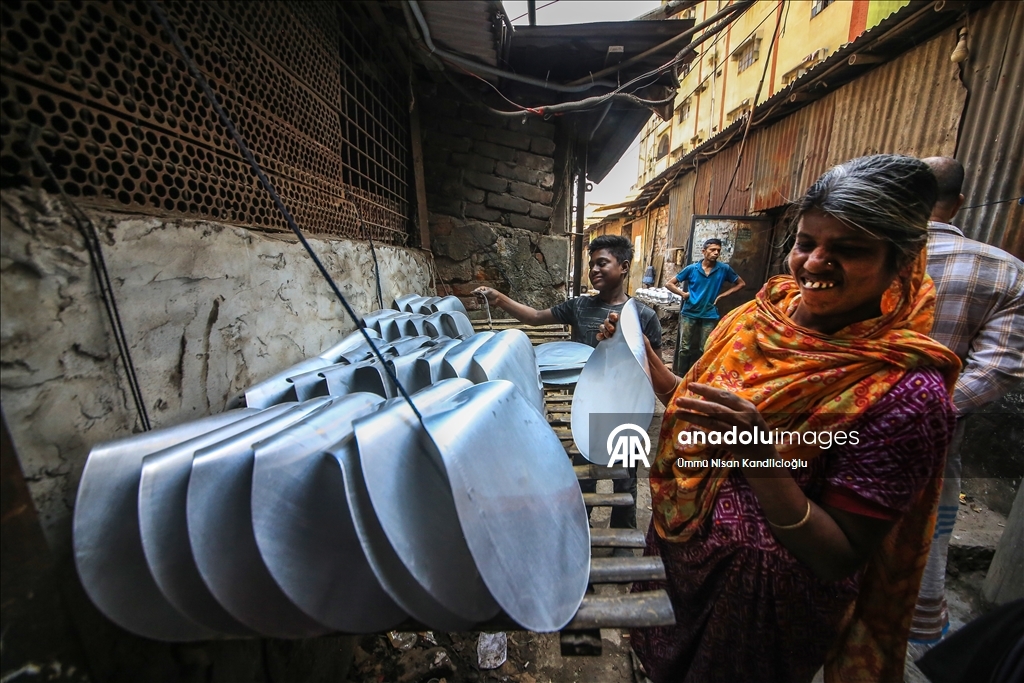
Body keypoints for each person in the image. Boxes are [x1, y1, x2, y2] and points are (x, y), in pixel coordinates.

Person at [599, 155, 961, 682]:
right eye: (806, 242)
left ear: (901, 261)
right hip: (679, 556)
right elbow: (688, 401)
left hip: (757, 607)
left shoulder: (905, 391)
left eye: (849, 249)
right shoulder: (755, 319)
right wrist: (639, 356)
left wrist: (759, 457)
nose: (814, 263)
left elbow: (838, 557)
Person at [908, 157, 1024, 650]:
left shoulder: (861, 254)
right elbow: (998, 369)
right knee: (922, 547)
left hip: (835, 435)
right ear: (959, 201)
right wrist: (923, 415)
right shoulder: (1003, 270)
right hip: (933, 448)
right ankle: (913, 638)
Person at [473, 233, 662, 533]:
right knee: (584, 475)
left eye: (603, 263)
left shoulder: (643, 316)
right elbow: (535, 317)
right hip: (587, 407)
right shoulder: (580, 307)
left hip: (626, 410)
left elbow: (653, 370)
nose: (595, 270)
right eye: (591, 265)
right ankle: (579, 533)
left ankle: (621, 538)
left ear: (624, 267)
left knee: (624, 479)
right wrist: (501, 300)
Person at [665, 239, 745, 374]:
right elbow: (669, 284)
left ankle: (701, 376)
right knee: (684, 348)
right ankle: (681, 376)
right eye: (712, 250)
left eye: (718, 250)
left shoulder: (723, 269)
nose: (716, 253)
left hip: (709, 313)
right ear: (703, 251)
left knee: (706, 348)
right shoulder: (692, 269)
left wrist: (722, 296)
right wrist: (683, 294)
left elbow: (741, 283)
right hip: (689, 312)